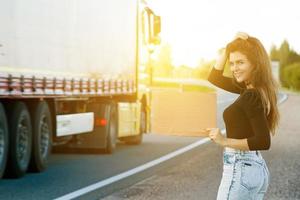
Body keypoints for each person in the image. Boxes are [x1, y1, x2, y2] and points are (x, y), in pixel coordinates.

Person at [206, 32, 280, 200]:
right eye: (231, 63)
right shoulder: (256, 90)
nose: (234, 68)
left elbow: (263, 141)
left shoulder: (251, 95)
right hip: (254, 168)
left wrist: (223, 140)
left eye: (240, 62)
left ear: (255, 64)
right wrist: (228, 48)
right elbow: (214, 77)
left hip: (240, 170)